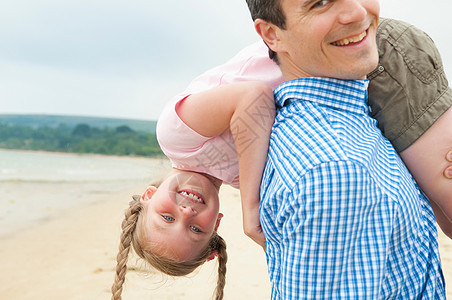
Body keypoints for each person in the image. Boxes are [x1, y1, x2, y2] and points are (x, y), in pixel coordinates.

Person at [111, 8, 451, 300]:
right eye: (196, 230)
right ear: (216, 223)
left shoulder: (176, 136)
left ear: (149, 196)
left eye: (167, 217)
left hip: (370, 56)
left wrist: (250, 207)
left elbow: (255, 98)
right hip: (358, 83)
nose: (186, 212)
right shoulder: (239, 174)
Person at [247, 0, 446, 298]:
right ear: (272, 34)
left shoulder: (348, 123)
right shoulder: (336, 171)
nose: (357, 12)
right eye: (320, 2)